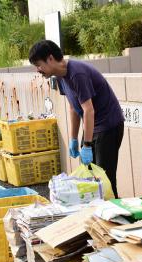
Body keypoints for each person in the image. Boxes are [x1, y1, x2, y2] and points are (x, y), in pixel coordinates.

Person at [29, 40, 125, 198]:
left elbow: (89, 109)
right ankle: (96, 215)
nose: (38, 70)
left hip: (108, 126)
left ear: (50, 59)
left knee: (104, 179)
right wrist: (74, 138)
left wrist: (86, 145)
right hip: (93, 127)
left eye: (39, 65)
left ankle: (113, 216)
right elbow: (74, 107)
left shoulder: (77, 73)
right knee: (89, 178)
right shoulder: (60, 76)